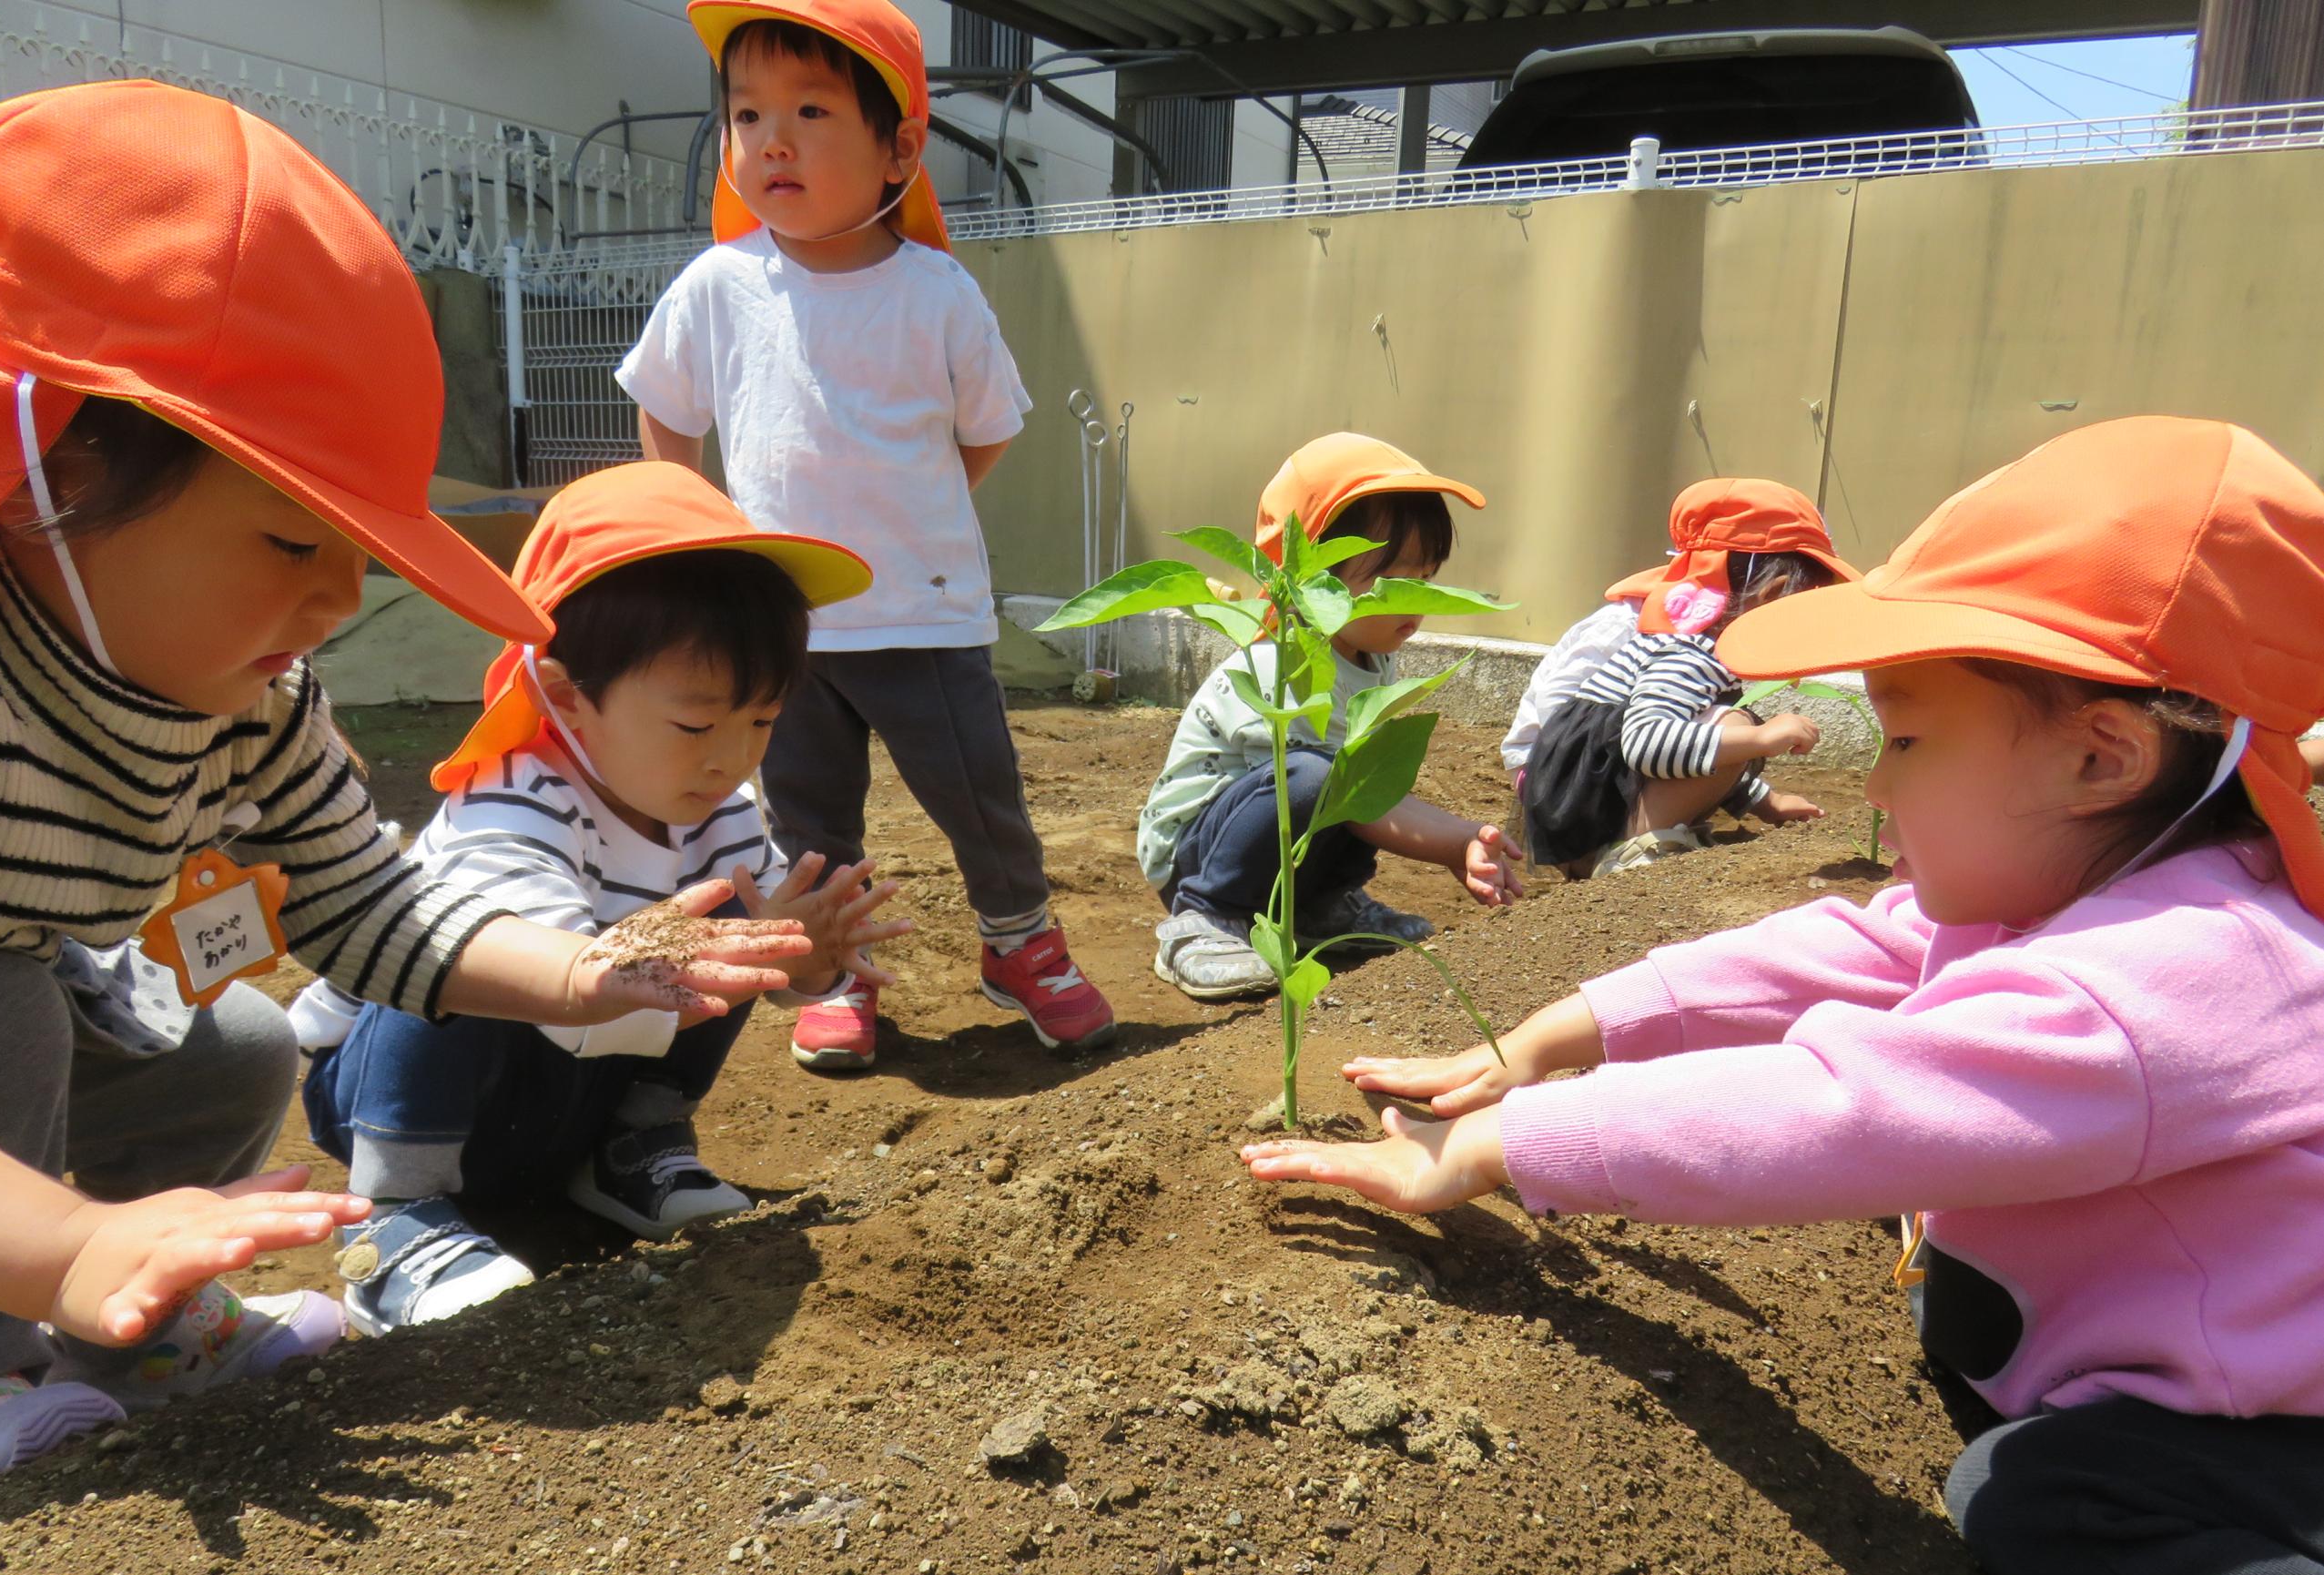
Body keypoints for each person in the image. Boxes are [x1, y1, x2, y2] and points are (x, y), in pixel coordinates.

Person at [1243, 416, 2324, 1575]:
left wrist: (1500, 1144)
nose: (1875, 777)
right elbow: (1863, 943)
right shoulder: (2101, 879)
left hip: (2275, 1434)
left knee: (2035, 1502)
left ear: (2102, 753)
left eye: (1911, 741)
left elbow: (1832, 1108)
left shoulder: (2155, 984)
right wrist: (1553, 1036)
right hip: (2193, 1363)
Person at [0, 84, 805, 1479]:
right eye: (296, 543)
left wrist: (582, 976)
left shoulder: (255, 700)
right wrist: (58, 1240)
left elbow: (369, 903)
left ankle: (134, 1327)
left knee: (228, 1042)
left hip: (36, 975)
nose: (342, 598)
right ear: (55, 471)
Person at [296, 463, 909, 1331]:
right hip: (399, 1092)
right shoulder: (512, 802)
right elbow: (555, 993)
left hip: (560, 1095)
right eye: (696, 723)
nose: (729, 758)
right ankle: (397, 1217)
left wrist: (803, 959)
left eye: (761, 721)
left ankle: (633, 1147)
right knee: (462, 943)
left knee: (739, 925)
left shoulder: (718, 811)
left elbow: (750, 961)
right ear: (566, 696)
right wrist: (700, 957)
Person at [619, 0, 1114, 1069]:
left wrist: (916, 511)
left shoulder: (935, 293)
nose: (771, 140)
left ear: (899, 147)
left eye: (809, 109)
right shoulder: (719, 286)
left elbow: (984, 433)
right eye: (746, 114)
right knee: (806, 819)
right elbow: (665, 405)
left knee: (979, 796)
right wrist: (695, 524)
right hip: (782, 624)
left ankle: (1019, 942)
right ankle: (835, 971)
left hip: (921, 614)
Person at [1142, 434, 1524, 1001]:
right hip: (1199, 854)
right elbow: (1339, 791)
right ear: (1311, 577)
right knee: (1317, 776)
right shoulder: (1283, 664)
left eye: (1425, 578)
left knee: (1366, 768)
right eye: (1391, 580)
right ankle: (1204, 922)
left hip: (1279, 845)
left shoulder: (1371, 655)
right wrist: (1453, 841)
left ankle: (1319, 908)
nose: (1414, 601)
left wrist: (1451, 835)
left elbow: (1361, 791)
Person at [1498, 477, 1856, 778]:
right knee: (1731, 728)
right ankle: (1635, 840)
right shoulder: (1631, 625)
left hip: (1621, 758)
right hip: (1556, 771)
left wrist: (1759, 801)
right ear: (1768, 593)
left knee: (1721, 726)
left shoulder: (1706, 640)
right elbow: (1557, 707)